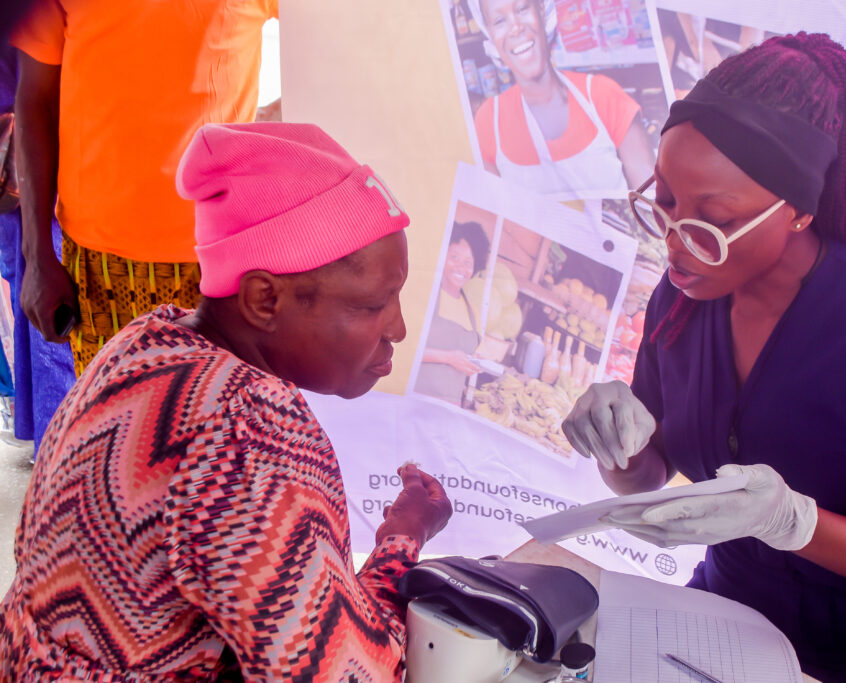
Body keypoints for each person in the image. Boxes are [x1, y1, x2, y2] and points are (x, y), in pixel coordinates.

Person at [562, 33, 846, 682]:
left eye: (711, 220)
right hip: (722, 630)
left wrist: (794, 522)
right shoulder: (681, 301)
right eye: (667, 205)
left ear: (796, 212)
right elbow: (647, 475)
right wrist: (617, 444)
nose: (677, 247)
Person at [0, 122, 453, 681]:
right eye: (372, 305)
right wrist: (400, 543)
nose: (399, 328)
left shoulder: (141, 346)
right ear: (265, 298)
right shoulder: (247, 431)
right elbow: (346, 672)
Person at [11, 0, 277, 375]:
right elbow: (36, 100)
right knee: (111, 426)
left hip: (218, 259)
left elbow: (335, 41)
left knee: (215, 424)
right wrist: (36, 256)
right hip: (97, 265)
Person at [468, 0, 654, 196]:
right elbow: (498, 220)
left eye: (522, 9)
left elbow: (654, 207)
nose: (516, 28)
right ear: (489, 34)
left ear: (541, 9)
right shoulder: (489, 121)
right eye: (499, 21)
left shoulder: (603, 95)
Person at [0, 40, 75, 453]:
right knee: (48, 303)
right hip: (32, 161)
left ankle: (51, 444)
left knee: (34, 292)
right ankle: (57, 449)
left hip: (29, 166)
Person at [416, 221, 491, 405]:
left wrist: (475, 361)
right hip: (414, 400)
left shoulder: (472, 311)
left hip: (447, 410)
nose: (460, 267)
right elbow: (402, 349)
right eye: (454, 257)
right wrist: (448, 358)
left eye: (468, 262)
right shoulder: (425, 294)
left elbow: (466, 357)